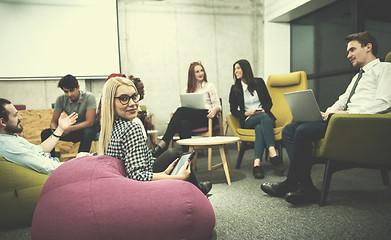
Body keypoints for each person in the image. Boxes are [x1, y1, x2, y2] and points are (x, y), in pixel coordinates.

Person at [261, 31, 391, 204]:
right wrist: (326, 113)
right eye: (348, 51)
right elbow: (342, 100)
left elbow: (384, 103)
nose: (348, 55)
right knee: (290, 129)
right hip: (342, 120)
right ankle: (304, 184)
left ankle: (294, 183)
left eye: (352, 50)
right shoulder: (357, 77)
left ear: (368, 47)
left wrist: (348, 114)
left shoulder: (385, 69)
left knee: (303, 131)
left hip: (357, 123)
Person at [97, 76, 212, 195]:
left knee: (173, 152)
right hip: (139, 190)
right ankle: (199, 192)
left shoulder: (108, 129)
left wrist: (163, 174)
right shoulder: (131, 128)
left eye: (134, 97)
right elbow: (137, 176)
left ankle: (198, 189)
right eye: (124, 98)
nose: (133, 103)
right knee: (176, 153)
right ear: (110, 102)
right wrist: (177, 178)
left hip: (120, 186)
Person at [152, 62, 221, 157]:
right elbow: (183, 106)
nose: (200, 73)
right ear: (192, 74)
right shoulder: (187, 89)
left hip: (207, 117)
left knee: (181, 111)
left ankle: (163, 143)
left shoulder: (210, 86)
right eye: (197, 71)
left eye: (201, 70)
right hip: (194, 119)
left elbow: (217, 105)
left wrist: (214, 110)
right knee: (183, 123)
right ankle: (187, 157)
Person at [229, 59, 283, 179]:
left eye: (238, 68)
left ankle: (256, 164)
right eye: (235, 69)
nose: (236, 71)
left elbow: (269, 102)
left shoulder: (259, 82)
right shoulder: (235, 89)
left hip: (264, 119)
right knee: (262, 118)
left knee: (260, 127)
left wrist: (263, 110)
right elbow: (233, 110)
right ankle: (273, 152)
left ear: (245, 69)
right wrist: (247, 113)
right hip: (249, 120)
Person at [0, 98, 78, 174]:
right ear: (3, 121)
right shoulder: (8, 146)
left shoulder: (9, 138)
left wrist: (60, 129)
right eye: (15, 115)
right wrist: (78, 162)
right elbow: (49, 168)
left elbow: (40, 150)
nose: (20, 117)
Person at [41, 74, 98, 155]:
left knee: (88, 131)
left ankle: (80, 161)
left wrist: (69, 129)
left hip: (86, 129)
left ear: (78, 87)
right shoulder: (61, 99)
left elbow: (90, 122)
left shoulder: (89, 97)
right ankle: (51, 161)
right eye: (66, 91)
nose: (69, 94)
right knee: (45, 133)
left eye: (71, 90)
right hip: (72, 129)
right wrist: (56, 131)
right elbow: (53, 122)